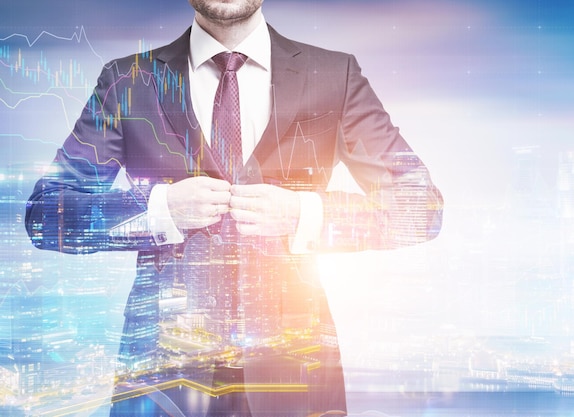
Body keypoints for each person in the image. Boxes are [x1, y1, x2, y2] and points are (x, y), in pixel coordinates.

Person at [25, 0, 443, 416]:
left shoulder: (335, 74)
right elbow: (46, 214)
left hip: (296, 372)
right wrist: (161, 210)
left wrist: (302, 214)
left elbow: (421, 208)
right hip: (163, 377)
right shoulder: (129, 80)